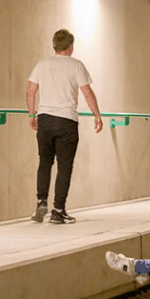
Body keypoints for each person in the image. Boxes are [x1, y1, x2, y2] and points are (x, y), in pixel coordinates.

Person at [26, 29, 103, 224]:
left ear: (54, 45)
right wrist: (97, 115)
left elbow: (31, 91)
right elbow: (87, 92)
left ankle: (41, 201)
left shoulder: (42, 65)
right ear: (70, 47)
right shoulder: (76, 65)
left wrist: (32, 114)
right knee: (64, 167)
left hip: (44, 119)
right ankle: (58, 210)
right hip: (66, 121)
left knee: (44, 162)